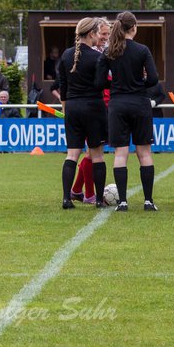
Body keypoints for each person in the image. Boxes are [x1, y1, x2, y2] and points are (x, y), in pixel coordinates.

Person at [95, 11, 159, 211]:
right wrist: (140, 81)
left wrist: (115, 83)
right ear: (134, 28)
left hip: (118, 105)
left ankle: (122, 202)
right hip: (140, 103)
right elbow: (154, 80)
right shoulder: (142, 50)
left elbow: (99, 82)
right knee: (144, 153)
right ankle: (148, 201)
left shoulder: (109, 52)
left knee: (120, 154)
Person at [56, 17, 108, 209]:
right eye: (98, 33)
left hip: (73, 107)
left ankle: (66, 199)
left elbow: (63, 85)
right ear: (91, 34)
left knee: (72, 154)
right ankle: (99, 199)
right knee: (97, 155)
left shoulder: (66, 55)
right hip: (94, 107)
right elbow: (101, 84)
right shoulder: (97, 57)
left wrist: (65, 107)